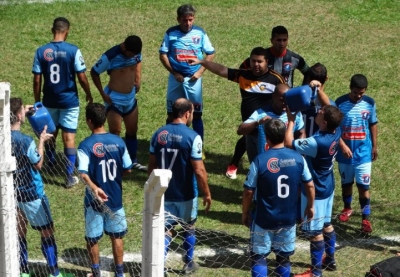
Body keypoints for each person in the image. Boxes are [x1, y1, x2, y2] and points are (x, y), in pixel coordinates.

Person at [227, 25, 310, 179]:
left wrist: (301, 90)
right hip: (266, 100)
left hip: (285, 102)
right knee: (252, 134)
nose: (282, 43)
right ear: (271, 40)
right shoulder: (263, 57)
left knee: (281, 133)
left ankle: (279, 165)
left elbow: (308, 71)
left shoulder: (294, 58)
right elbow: (244, 70)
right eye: (278, 40)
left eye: (285, 40)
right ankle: (236, 163)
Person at [187, 47, 285, 173]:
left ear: (267, 61)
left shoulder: (276, 79)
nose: (256, 64)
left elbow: (286, 96)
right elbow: (222, 70)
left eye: (259, 61)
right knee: (255, 163)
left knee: (271, 163)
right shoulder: (243, 75)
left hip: (267, 129)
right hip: (249, 128)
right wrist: (202, 62)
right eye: (253, 61)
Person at [242, 118, 315, 277]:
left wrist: (245, 213)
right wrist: (310, 206)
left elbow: (248, 191)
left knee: (258, 257)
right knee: (283, 257)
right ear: (284, 135)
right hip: (288, 219)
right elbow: (309, 185)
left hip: (264, 219)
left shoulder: (260, 160)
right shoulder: (298, 158)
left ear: (267, 137)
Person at [284, 85, 343, 277]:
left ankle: (316, 272)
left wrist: (291, 120)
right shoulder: (336, 129)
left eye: (321, 111)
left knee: (314, 232)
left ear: (324, 122)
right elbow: (329, 107)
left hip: (315, 190)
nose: (318, 110)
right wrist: (318, 91)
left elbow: (288, 143)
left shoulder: (317, 143)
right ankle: (331, 260)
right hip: (328, 185)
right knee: (327, 224)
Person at [148, 98, 212, 275]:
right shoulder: (193, 137)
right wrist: (207, 193)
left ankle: (159, 268)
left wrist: (152, 189)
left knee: (165, 230)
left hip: (164, 193)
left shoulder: (158, 134)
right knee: (188, 227)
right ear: (187, 114)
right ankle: (188, 263)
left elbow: (151, 166)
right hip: (186, 194)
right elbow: (199, 170)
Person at [10, 97, 73, 277]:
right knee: (47, 231)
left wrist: (24, 109)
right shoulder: (26, 140)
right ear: (18, 115)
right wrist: (42, 142)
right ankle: (54, 273)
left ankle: (23, 271)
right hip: (32, 195)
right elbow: (38, 163)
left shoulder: (2, 138)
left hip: (13, 194)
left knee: (20, 232)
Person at [32, 17, 93, 188]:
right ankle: (68, 176)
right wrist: (88, 94)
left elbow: (37, 80)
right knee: (69, 138)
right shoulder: (73, 50)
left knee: (50, 132)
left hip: (49, 101)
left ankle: (50, 162)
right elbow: (81, 76)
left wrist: (38, 101)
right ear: (67, 31)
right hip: (69, 102)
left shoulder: (41, 51)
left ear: (53, 30)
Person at [77, 103, 133, 277]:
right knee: (117, 236)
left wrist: (95, 188)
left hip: (94, 202)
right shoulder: (118, 142)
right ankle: (119, 273)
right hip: (115, 199)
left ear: (89, 121)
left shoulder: (85, 145)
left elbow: (83, 174)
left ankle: (95, 273)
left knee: (92, 238)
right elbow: (128, 167)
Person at [159, 4, 215, 147]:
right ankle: (169, 144)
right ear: (178, 19)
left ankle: (198, 147)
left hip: (193, 79)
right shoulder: (171, 33)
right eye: (185, 20)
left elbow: (211, 53)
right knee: (172, 113)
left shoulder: (200, 33)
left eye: (190, 20)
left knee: (196, 113)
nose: (188, 23)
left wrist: (199, 72)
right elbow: (163, 55)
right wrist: (174, 72)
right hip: (175, 78)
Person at [90, 35, 146, 172]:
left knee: (132, 130)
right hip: (114, 99)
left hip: (130, 98)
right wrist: (103, 94)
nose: (132, 57)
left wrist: (138, 79)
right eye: (130, 54)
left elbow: (138, 61)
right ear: (124, 47)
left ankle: (133, 161)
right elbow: (94, 72)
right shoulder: (111, 56)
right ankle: (115, 160)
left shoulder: (135, 53)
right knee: (115, 132)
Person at [335, 74, 378, 234]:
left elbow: (373, 123)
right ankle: (347, 208)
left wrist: (374, 145)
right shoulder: (340, 103)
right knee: (346, 184)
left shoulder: (369, 103)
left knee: (363, 187)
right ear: (350, 88)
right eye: (355, 93)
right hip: (344, 153)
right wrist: (342, 145)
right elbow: (335, 126)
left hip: (364, 153)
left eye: (361, 93)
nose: (358, 96)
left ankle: (365, 219)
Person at [237, 83, 305, 163]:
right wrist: (257, 123)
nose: (284, 103)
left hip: (287, 162)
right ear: (273, 96)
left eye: (287, 100)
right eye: (281, 99)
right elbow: (240, 130)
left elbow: (301, 132)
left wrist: (300, 155)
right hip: (266, 162)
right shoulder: (260, 113)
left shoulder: (295, 114)